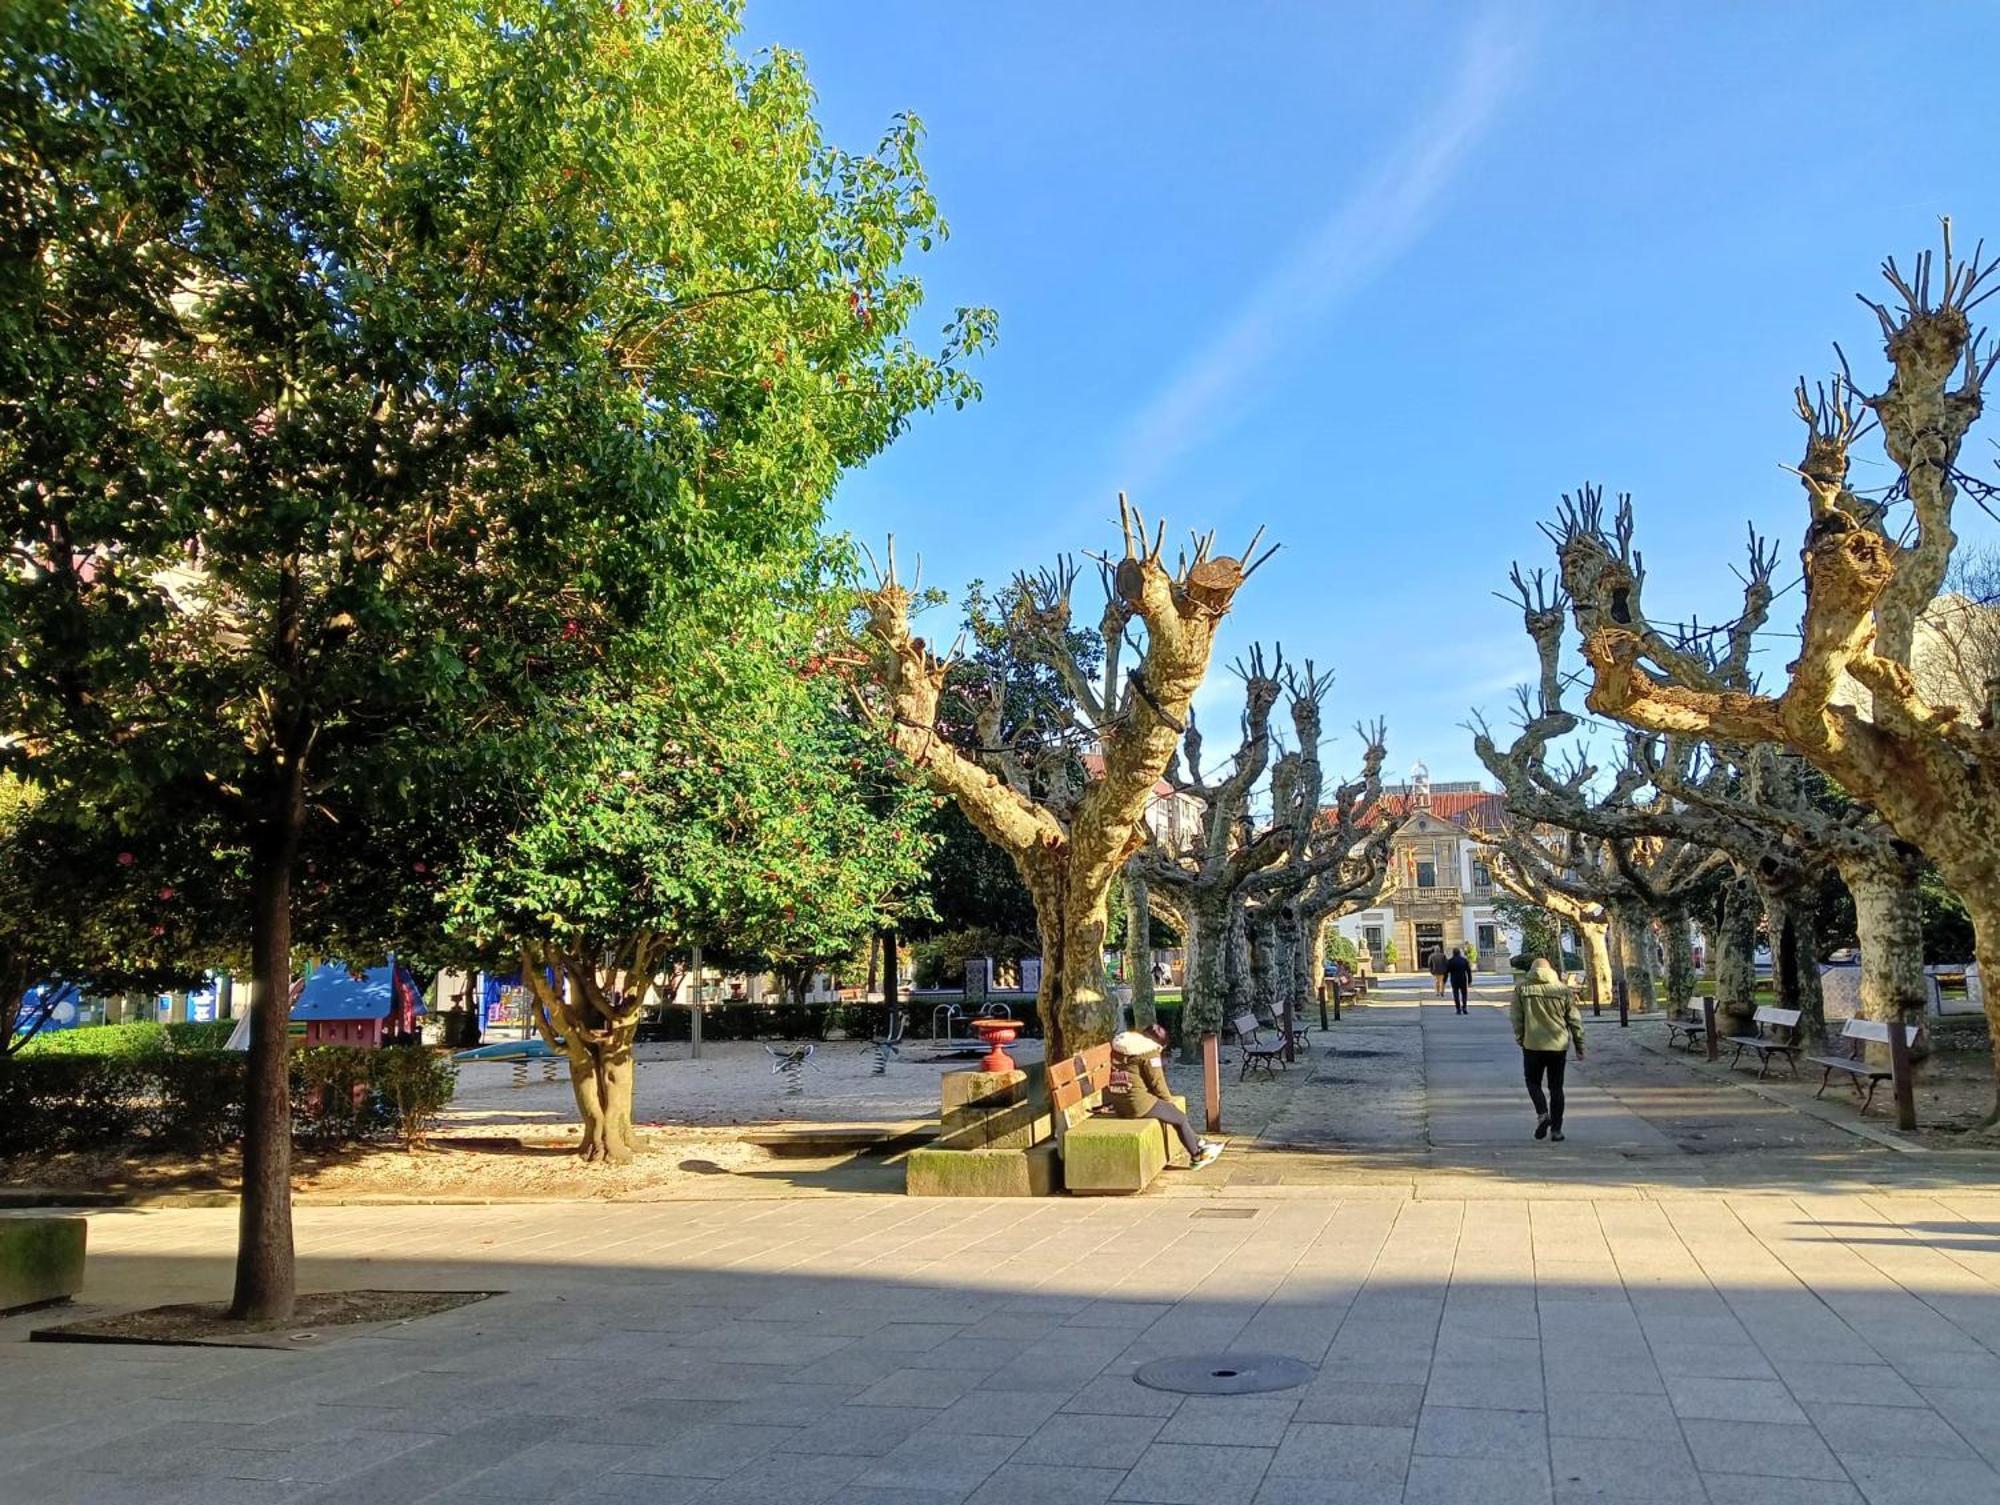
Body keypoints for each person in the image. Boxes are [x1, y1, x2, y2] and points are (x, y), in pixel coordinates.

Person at [1106, 1025, 1223, 1168]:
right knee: (1179, 1117)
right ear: (1159, 1044)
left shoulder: (1121, 1045)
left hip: (1119, 1100)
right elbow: (1157, 1082)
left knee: (1174, 1115)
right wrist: (1169, 1102)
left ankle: (1200, 1143)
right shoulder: (1149, 1051)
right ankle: (1197, 1156)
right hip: (1136, 1103)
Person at [1510, 957, 1585, 1141]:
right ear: (1550, 970)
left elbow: (1516, 1017)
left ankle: (1543, 1113)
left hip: (1533, 1044)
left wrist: (1521, 1038)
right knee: (1556, 1087)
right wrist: (1579, 1044)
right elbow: (1574, 1020)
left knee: (1532, 1082)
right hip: (1558, 1045)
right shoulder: (1562, 990)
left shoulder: (1522, 988)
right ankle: (1556, 1130)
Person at [1445, 946, 1473, 1013]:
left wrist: (1444, 980)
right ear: (1460, 953)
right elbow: (1468, 971)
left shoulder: (1450, 961)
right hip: (1463, 979)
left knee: (1455, 994)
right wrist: (1469, 980)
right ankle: (1464, 1008)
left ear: (1453, 953)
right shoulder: (1464, 960)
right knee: (1464, 994)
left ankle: (1458, 1008)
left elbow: (1447, 971)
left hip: (1454, 979)